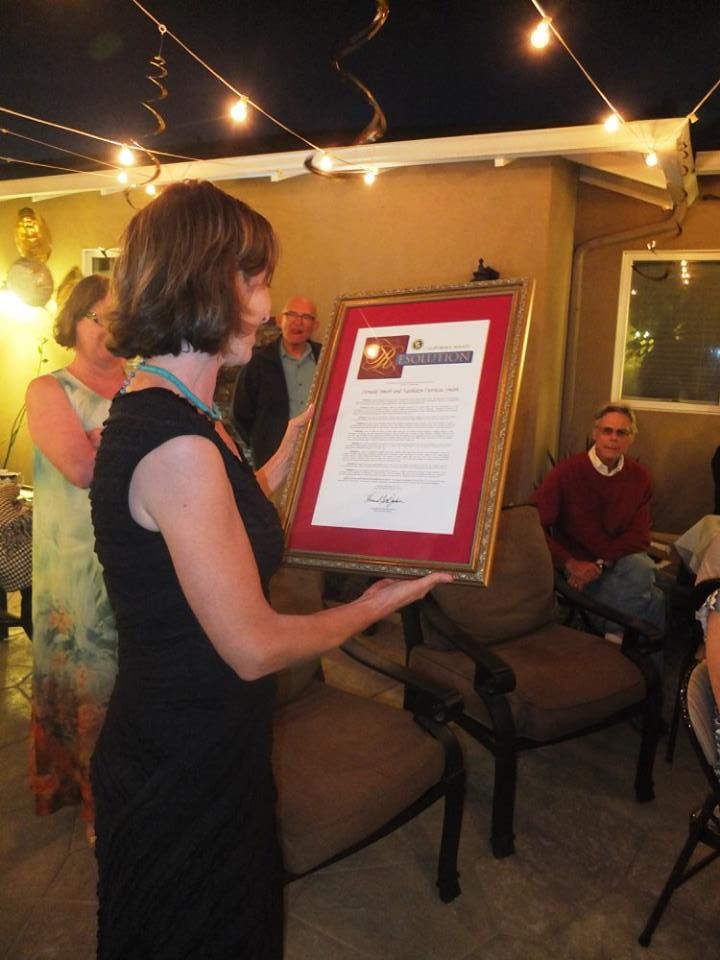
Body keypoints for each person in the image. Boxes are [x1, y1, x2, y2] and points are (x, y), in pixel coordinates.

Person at [89, 180, 449, 960]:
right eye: (255, 280)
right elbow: (253, 647)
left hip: (210, 738)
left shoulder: (180, 412)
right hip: (182, 758)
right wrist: (373, 605)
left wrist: (293, 447)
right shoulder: (177, 443)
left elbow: (218, 515)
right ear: (205, 281)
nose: (267, 302)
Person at [25, 274, 125, 843]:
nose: (111, 327)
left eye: (120, 316)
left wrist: (97, 437)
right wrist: (115, 443)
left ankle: (131, 792)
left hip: (135, 555)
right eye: (98, 317)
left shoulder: (141, 382)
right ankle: (92, 805)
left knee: (132, 682)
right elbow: (81, 469)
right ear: (74, 322)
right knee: (89, 686)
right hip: (74, 567)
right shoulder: (49, 389)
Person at [532, 401, 665, 637]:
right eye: (607, 431)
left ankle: (615, 638)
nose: (613, 438)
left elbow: (639, 536)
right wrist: (570, 563)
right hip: (577, 567)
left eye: (621, 432)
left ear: (631, 438)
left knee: (641, 567)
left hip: (617, 562)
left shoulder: (640, 477)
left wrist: (602, 562)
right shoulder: (566, 472)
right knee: (656, 599)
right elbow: (532, 524)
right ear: (595, 434)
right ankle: (632, 650)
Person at [232, 294, 320, 467]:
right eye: (291, 315)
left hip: (317, 453)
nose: (298, 322)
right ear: (280, 321)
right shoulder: (258, 362)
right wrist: (261, 442)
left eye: (306, 317)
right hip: (273, 458)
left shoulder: (327, 358)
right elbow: (240, 413)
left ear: (315, 325)